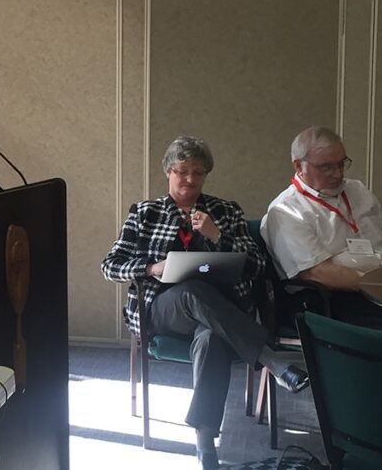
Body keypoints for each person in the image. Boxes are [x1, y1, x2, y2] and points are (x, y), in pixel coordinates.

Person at [102, 136, 308, 470]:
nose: (190, 180)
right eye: (182, 171)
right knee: (191, 290)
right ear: (169, 171)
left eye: (198, 173)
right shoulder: (145, 212)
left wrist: (218, 237)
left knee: (210, 337)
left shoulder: (225, 211)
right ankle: (272, 360)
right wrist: (151, 268)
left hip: (219, 316)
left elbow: (255, 265)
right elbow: (110, 265)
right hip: (163, 310)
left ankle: (205, 448)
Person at [261, 126, 382, 330]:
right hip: (341, 298)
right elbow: (316, 273)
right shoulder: (286, 210)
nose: (337, 174)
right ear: (298, 166)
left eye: (341, 164)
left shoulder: (358, 190)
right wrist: (380, 286)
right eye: (326, 167)